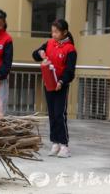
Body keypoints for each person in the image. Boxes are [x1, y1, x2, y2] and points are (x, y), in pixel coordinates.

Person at [32, 19, 77, 158]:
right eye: (52, 32)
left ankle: (64, 145)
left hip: (60, 86)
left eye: (56, 32)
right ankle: (55, 143)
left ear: (64, 32)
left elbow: (70, 71)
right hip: (49, 84)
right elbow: (34, 54)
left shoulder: (70, 49)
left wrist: (62, 82)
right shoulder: (50, 43)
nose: (54, 34)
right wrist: (40, 53)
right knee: (51, 114)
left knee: (59, 114)